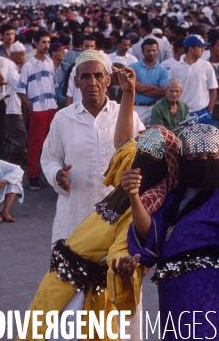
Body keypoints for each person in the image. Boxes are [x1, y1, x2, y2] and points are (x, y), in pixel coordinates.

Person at [21, 77, 180, 340]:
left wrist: (124, 265)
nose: (140, 153)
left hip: (91, 282)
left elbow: (127, 242)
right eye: (143, 146)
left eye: (151, 152)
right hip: (65, 253)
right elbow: (123, 143)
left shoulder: (146, 204)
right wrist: (129, 93)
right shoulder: (131, 162)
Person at [127, 124, 219, 340]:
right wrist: (134, 196)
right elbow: (153, 235)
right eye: (193, 158)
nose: (202, 162)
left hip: (215, 293)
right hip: (174, 296)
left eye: (210, 155)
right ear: (183, 163)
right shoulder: (172, 200)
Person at [41, 50, 144, 243]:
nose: (92, 82)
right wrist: (57, 175)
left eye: (98, 76)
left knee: (111, 270)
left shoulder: (126, 116)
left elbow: (141, 158)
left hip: (115, 216)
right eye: (85, 76)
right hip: (74, 214)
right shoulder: (63, 118)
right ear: (76, 82)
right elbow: (49, 158)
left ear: (107, 80)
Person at [16, 30, 58, 190]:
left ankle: (49, 174)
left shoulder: (49, 62)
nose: (46, 45)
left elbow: (53, 85)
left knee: (52, 143)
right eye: (43, 42)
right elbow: (20, 90)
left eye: (48, 42)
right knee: (35, 143)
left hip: (51, 107)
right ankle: (33, 175)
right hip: (38, 109)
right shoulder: (28, 65)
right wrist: (31, 108)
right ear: (36, 44)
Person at [169, 35, 217, 125]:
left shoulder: (207, 66)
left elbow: (213, 89)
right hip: (181, 113)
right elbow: (169, 91)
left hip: (202, 113)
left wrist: (209, 111)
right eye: (200, 47)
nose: (203, 50)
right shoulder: (175, 68)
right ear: (191, 48)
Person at [128, 38, 169, 125]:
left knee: (154, 136)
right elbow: (131, 85)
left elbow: (163, 91)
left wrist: (138, 86)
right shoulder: (132, 67)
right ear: (143, 51)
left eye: (154, 50)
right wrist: (154, 87)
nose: (151, 53)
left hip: (155, 107)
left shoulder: (163, 70)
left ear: (157, 50)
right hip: (137, 107)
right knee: (135, 134)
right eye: (148, 51)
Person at [5, 42, 27, 165]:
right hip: (12, 107)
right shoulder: (10, 66)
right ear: (15, 55)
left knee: (12, 139)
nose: (23, 58)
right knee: (20, 137)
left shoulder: (14, 66)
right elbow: (18, 83)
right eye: (21, 55)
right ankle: (12, 163)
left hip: (15, 105)